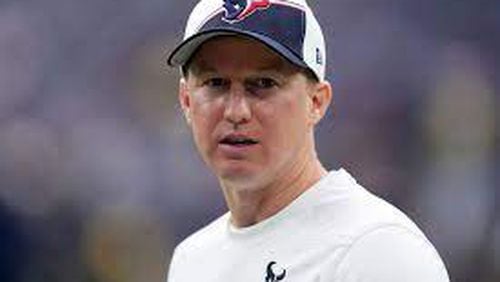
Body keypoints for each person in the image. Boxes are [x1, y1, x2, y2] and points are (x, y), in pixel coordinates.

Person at [165, 0, 450, 281]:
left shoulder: (376, 251)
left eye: (264, 83)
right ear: (186, 100)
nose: (236, 111)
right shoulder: (191, 261)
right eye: (215, 83)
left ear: (316, 101)